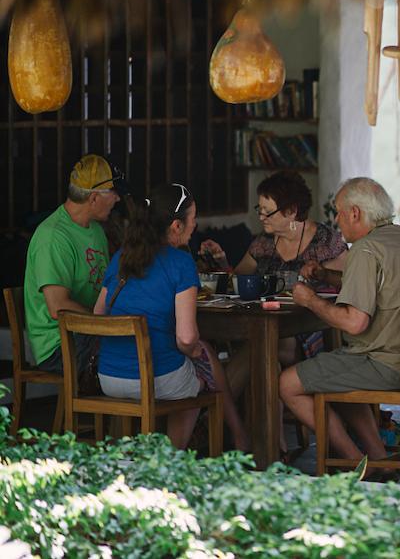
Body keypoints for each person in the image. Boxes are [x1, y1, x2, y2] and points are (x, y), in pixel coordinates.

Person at [280, 178, 400, 467]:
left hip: (389, 364)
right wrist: (327, 276)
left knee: (287, 383)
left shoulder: (365, 249)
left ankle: (357, 462)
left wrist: (310, 301)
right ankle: (379, 458)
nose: (337, 221)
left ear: (355, 213)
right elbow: (381, 288)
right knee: (344, 370)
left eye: (339, 213)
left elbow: (354, 323)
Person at [93, 184, 248, 451]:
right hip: (156, 380)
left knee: (197, 364)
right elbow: (186, 338)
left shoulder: (121, 257)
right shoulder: (180, 263)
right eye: (193, 218)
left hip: (109, 377)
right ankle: (172, 457)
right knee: (200, 367)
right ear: (176, 226)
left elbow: (98, 315)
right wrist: (194, 348)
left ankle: (146, 453)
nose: (195, 224)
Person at [200, 170, 347, 373]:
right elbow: (238, 280)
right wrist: (221, 260)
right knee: (262, 349)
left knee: (261, 345)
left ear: (292, 211)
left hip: (312, 330)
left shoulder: (327, 242)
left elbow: (347, 286)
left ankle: (221, 403)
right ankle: (233, 404)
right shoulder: (264, 243)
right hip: (269, 326)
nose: (260, 217)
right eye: (259, 209)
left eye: (267, 211)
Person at [24, 154, 122, 375]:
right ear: (94, 198)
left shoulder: (95, 229)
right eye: (113, 194)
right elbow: (58, 306)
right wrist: (104, 323)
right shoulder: (53, 237)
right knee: (134, 354)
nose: (118, 200)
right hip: (60, 344)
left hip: (88, 331)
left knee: (150, 340)